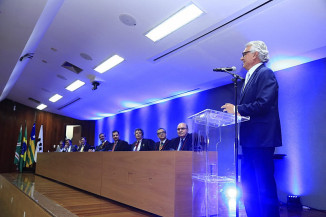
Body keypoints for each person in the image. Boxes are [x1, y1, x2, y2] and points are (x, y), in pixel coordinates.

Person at [221, 40, 282, 217]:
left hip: (261, 141)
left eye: (244, 53)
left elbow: (264, 103)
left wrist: (237, 109)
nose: (241, 57)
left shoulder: (265, 73)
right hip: (249, 142)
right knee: (249, 186)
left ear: (255, 54)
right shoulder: (249, 77)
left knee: (264, 186)